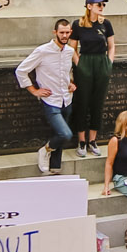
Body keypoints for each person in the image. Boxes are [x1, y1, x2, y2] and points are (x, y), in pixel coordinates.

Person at [17, 21, 77, 173]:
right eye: (62, 32)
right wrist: (34, 90)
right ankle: (44, 150)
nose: (65, 35)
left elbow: (65, 73)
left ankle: (55, 166)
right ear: (54, 32)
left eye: (67, 32)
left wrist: (71, 83)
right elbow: (21, 70)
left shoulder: (70, 51)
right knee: (65, 133)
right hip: (50, 101)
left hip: (66, 99)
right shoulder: (42, 51)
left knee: (59, 134)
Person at [73, 0, 116, 146]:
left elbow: (111, 46)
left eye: (103, 4)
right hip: (85, 61)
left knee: (98, 103)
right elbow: (72, 48)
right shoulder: (78, 24)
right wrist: (80, 65)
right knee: (83, 102)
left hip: (101, 62)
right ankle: (82, 140)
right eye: (99, 4)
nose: (101, 7)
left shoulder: (106, 24)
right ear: (89, 6)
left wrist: (109, 63)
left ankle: (93, 139)